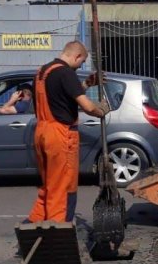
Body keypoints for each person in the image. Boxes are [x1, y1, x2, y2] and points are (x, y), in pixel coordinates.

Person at [27, 41, 110, 223]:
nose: (80, 66)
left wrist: (87, 84)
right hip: (60, 134)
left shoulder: (42, 72)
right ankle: (57, 231)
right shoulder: (66, 73)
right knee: (63, 188)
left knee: (49, 185)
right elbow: (87, 106)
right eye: (81, 62)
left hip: (42, 132)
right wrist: (101, 110)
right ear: (77, 56)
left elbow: (62, 96)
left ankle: (33, 225)